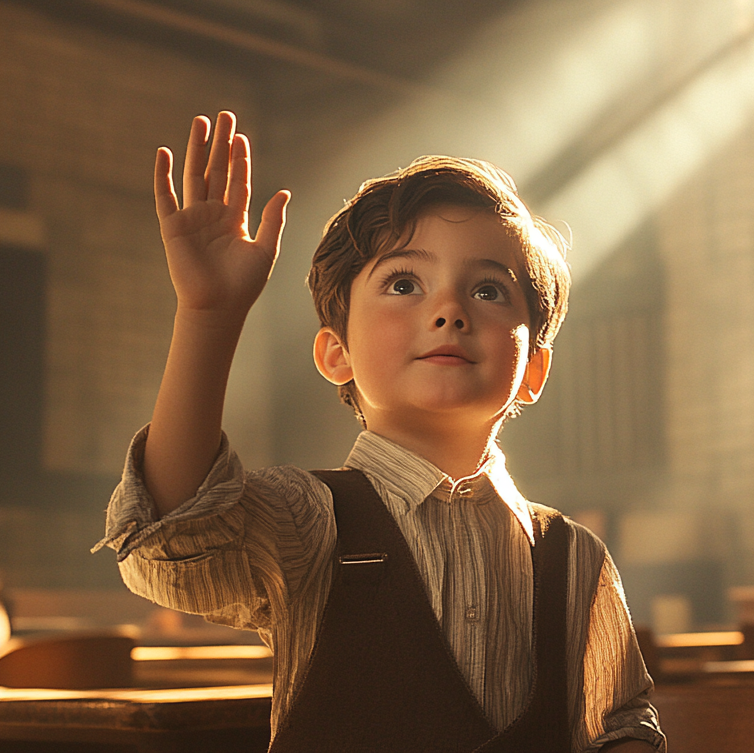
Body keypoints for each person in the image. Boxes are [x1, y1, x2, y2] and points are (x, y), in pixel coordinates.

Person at [95, 112, 663, 752]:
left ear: (533, 369)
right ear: (336, 352)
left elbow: (621, 724)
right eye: (403, 283)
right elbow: (178, 530)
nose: (449, 310)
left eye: (487, 289)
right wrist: (210, 314)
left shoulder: (573, 556)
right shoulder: (308, 521)